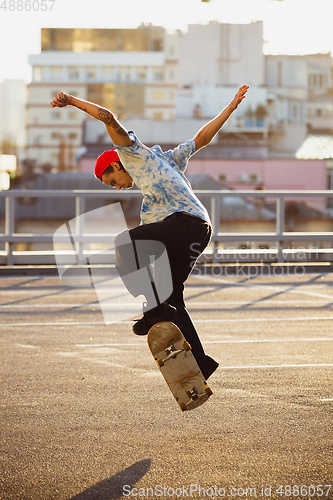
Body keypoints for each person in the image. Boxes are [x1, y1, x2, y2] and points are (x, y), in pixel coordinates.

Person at [51, 84, 249, 380]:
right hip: (197, 231)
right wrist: (230, 108)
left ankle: (155, 310)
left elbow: (107, 117)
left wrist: (71, 102)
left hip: (186, 225)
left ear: (117, 164)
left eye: (113, 180)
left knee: (124, 243)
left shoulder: (131, 152)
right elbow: (202, 139)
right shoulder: (168, 161)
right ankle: (199, 363)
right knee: (173, 296)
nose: (117, 187)